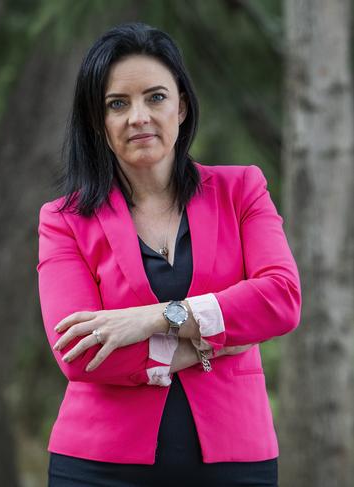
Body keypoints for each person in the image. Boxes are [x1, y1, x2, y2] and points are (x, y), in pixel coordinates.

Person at [36, 22, 301, 487]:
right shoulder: (64, 220)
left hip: (235, 461)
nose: (139, 116)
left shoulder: (242, 190)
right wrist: (215, 339)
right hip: (99, 466)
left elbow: (280, 298)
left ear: (181, 106)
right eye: (118, 104)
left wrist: (155, 318)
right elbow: (78, 354)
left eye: (155, 97)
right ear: (100, 123)